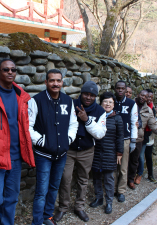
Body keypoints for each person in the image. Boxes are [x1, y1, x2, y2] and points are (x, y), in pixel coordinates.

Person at [0, 59, 36, 225]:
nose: (10, 72)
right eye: (6, 69)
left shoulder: (21, 97)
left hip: (15, 157)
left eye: (13, 69)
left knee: (11, 198)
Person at [29, 69, 79, 225]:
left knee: (54, 187)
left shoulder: (67, 101)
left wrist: (68, 139)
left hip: (61, 154)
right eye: (52, 80)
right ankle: (37, 221)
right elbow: (28, 126)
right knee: (41, 191)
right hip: (43, 154)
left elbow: (73, 123)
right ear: (46, 82)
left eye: (58, 80)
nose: (55, 83)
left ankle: (47, 216)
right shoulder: (36, 100)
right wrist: (40, 141)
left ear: (62, 82)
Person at [55, 81, 107, 222]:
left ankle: (79, 207)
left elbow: (100, 133)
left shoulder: (100, 111)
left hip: (87, 150)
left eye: (92, 95)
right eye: (86, 94)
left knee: (83, 179)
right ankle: (63, 207)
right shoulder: (70, 105)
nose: (88, 97)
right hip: (69, 150)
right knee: (65, 178)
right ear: (81, 93)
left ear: (95, 97)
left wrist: (87, 120)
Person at [128, 90, 157, 189]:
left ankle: (130, 180)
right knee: (123, 161)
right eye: (142, 95)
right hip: (126, 137)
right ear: (138, 94)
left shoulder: (148, 110)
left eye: (146, 96)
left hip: (138, 139)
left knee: (134, 161)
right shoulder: (130, 103)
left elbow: (154, 126)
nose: (143, 97)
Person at [89, 92, 124, 214]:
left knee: (109, 178)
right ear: (101, 103)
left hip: (110, 152)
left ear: (114, 104)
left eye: (110, 102)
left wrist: (119, 153)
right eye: (105, 101)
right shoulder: (96, 115)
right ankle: (99, 198)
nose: (107, 104)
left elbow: (120, 137)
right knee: (96, 177)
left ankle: (109, 202)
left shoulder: (117, 118)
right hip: (95, 151)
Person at [113, 81, 139, 202]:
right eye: (118, 88)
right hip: (111, 139)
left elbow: (134, 122)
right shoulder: (110, 101)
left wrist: (133, 140)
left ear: (125, 90)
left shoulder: (131, 103)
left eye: (122, 88)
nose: (120, 90)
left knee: (123, 167)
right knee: (112, 166)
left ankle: (121, 191)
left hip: (125, 139)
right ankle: (111, 189)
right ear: (115, 89)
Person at [135, 90, 157, 184]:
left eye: (151, 97)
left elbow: (154, 126)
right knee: (137, 156)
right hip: (140, 135)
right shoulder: (140, 106)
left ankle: (144, 174)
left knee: (145, 156)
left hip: (147, 137)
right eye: (147, 97)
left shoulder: (151, 110)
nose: (149, 99)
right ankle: (134, 175)